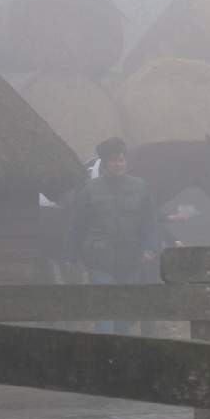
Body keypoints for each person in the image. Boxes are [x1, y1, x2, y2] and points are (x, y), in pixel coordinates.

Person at [68, 137, 159, 334]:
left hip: (131, 259)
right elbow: (77, 225)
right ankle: (105, 349)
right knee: (105, 307)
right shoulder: (89, 190)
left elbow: (150, 222)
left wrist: (150, 247)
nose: (118, 164)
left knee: (124, 313)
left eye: (121, 159)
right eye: (113, 160)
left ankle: (120, 348)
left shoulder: (141, 187)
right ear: (105, 163)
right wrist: (73, 256)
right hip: (100, 260)